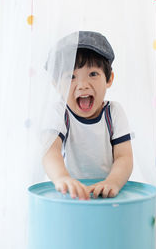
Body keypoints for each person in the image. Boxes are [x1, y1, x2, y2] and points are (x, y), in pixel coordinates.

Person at [42, 31, 133, 200]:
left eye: (93, 74)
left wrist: (113, 182)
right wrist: (62, 178)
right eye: (71, 77)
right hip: (69, 193)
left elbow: (124, 157)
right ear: (57, 85)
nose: (82, 85)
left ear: (109, 78)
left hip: (104, 192)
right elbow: (50, 151)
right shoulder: (60, 112)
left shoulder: (113, 112)